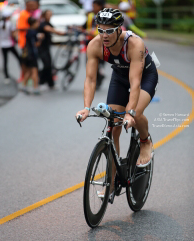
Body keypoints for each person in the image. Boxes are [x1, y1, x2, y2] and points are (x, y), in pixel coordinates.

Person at [76, 8, 158, 195]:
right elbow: (90, 79)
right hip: (120, 76)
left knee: (135, 114)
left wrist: (130, 112)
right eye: (100, 30)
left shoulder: (134, 44)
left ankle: (145, 141)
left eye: (109, 31)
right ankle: (111, 181)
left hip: (144, 76)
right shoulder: (94, 45)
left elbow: (135, 83)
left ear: (119, 29)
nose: (104, 35)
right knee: (113, 125)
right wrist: (87, 107)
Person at [38, 10, 65, 89]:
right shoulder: (43, 23)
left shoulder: (49, 23)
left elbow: (54, 28)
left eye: (51, 14)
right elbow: (49, 29)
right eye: (48, 14)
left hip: (46, 47)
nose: (50, 16)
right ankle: (41, 82)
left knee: (49, 65)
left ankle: (51, 84)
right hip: (41, 48)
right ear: (44, 15)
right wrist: (60, 33)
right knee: (46, 65)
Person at [83, 0, 106, 90]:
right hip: (89, 42)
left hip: (100, 43)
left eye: (95, 6)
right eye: (92, 6)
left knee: (98, 63)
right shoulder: (90, 15)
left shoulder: (104, 16)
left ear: (100, 6)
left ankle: (98, 79)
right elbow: (85, 26)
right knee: (89, 62)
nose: (93, 8)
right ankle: (92, 80)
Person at [17, 0, 38, 82]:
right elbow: (20, 27)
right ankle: (23, 78)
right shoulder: (23, 14)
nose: (33, 6)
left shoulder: (30, 13)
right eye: (31, 4)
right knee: (25, 62)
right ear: (27, 5)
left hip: (29, 42)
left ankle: (27, 79)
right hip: (25, 42)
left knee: (29, 62)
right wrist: (32, 28)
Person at [21, 17, 43, 95]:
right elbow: (36, 44)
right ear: (33, 24)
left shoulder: (28, 32)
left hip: (28, 54)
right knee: (34, 71)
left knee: (29, 71)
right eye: (37, 23)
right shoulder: (33, 33)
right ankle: (35, 88)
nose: (38, 24)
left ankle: (24, 86)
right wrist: (40, 39)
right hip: (32, 55)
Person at [0, 9, 21, 84]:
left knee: (5, 61)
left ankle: (6, 77)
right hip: (10, 44)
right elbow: (13, 34)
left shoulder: (0, 23)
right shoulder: (10, 24)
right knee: (19, 58)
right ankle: (23, 74)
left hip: (3, 44)